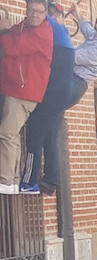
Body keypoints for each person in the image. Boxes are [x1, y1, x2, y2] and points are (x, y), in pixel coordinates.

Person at [20, 1, 72, 194]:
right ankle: (50, 180)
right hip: (59, 93)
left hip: (52, 94)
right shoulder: (62, 32)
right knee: (50, 135)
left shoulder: (47, 25)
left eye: (46, 12)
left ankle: (29, 182)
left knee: (34, 135)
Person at [0, 0, 53, 194]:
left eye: (39, 12)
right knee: (11, 133)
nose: (34, 15)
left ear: (45, 13)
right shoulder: (25, 26)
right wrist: (7, 30)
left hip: (24, 91)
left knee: (7, 133)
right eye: (31, 10)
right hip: (15, 88)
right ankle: (11, 180)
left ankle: (6, 179)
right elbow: (13, 34)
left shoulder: (42, 33)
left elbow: (12, 47)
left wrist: (3, 31)